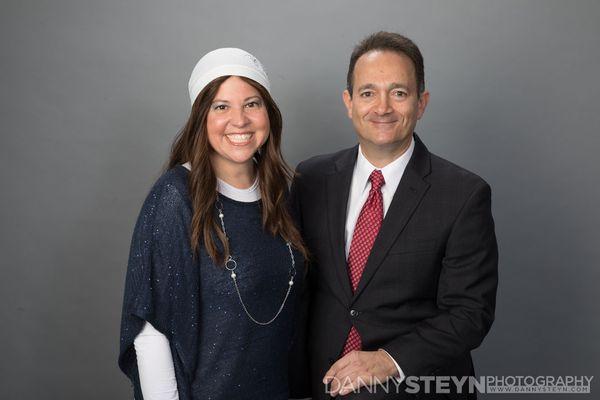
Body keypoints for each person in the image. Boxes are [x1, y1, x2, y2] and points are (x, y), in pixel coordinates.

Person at [289, 32, 498, 399]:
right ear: (349, 102)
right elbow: (299, 288)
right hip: (322, 386)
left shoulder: (464, 194)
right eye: (368, 93)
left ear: (421, 103)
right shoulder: (311, 179)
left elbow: (469, 313)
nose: (382, 107)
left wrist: (389, 359)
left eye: (398, 93)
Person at [118, 48, 308, 400]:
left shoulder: (281, 193)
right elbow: (150, 330)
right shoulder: (176, 197)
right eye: (221, 106)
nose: (240, 120)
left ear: (269, 114)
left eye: (252, 104)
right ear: (201, 117)